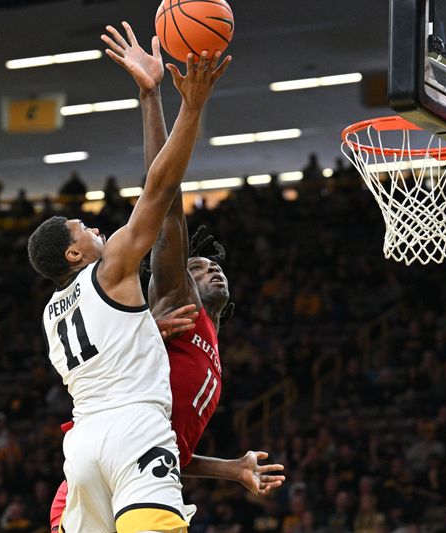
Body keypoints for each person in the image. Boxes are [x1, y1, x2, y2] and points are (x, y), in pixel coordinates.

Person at [48, 22, 284, 531]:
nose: (208, 266)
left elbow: (164, 446)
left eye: (209, 263)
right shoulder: (174, 301)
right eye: (195, 266)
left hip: (102, 459)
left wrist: (232, 468)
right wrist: (163, 99)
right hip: (120, 455)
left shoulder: (199, 348)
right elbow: (165, 198)